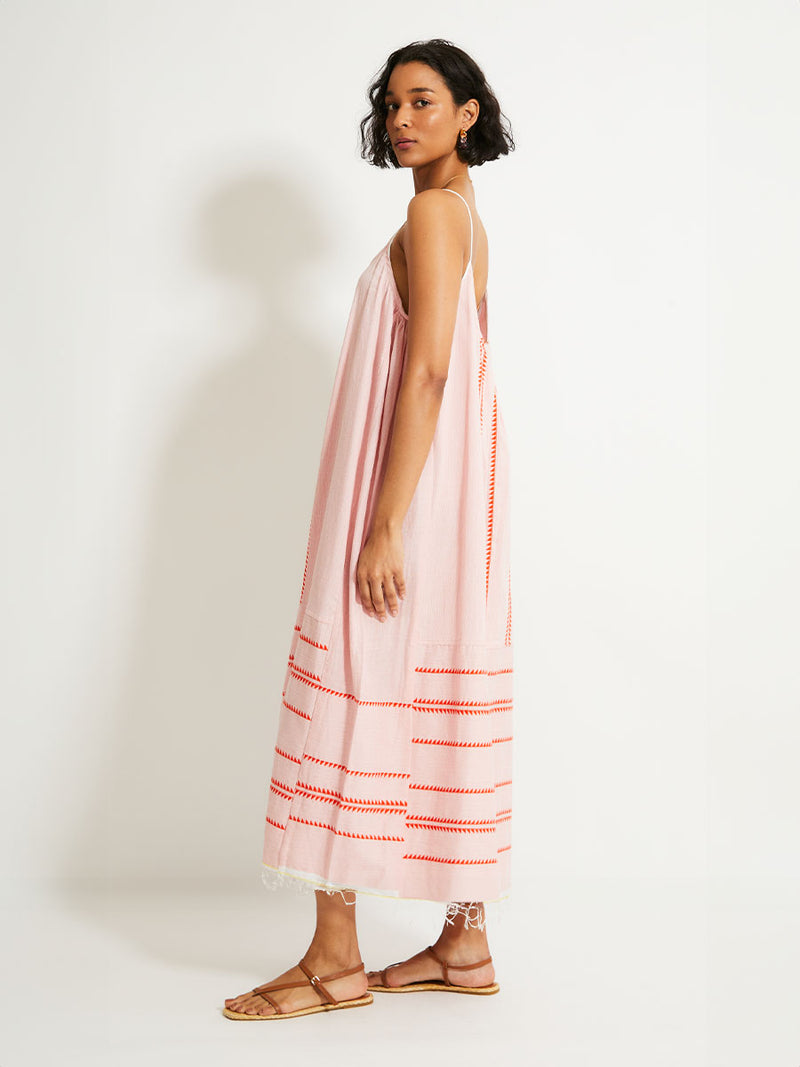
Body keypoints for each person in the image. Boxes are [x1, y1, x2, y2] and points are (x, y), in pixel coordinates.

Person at [224, 38, 515, 1021]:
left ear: (467, 113)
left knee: (360, 677)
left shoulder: (433, 213)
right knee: (421, 684)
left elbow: (430, 372)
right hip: (455, 501)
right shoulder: (465, 219)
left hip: (410, 499)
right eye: (389, 103)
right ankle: (462, 938)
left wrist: (384, 522)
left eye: (422, 101)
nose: (399, 119)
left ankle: (333, 956)